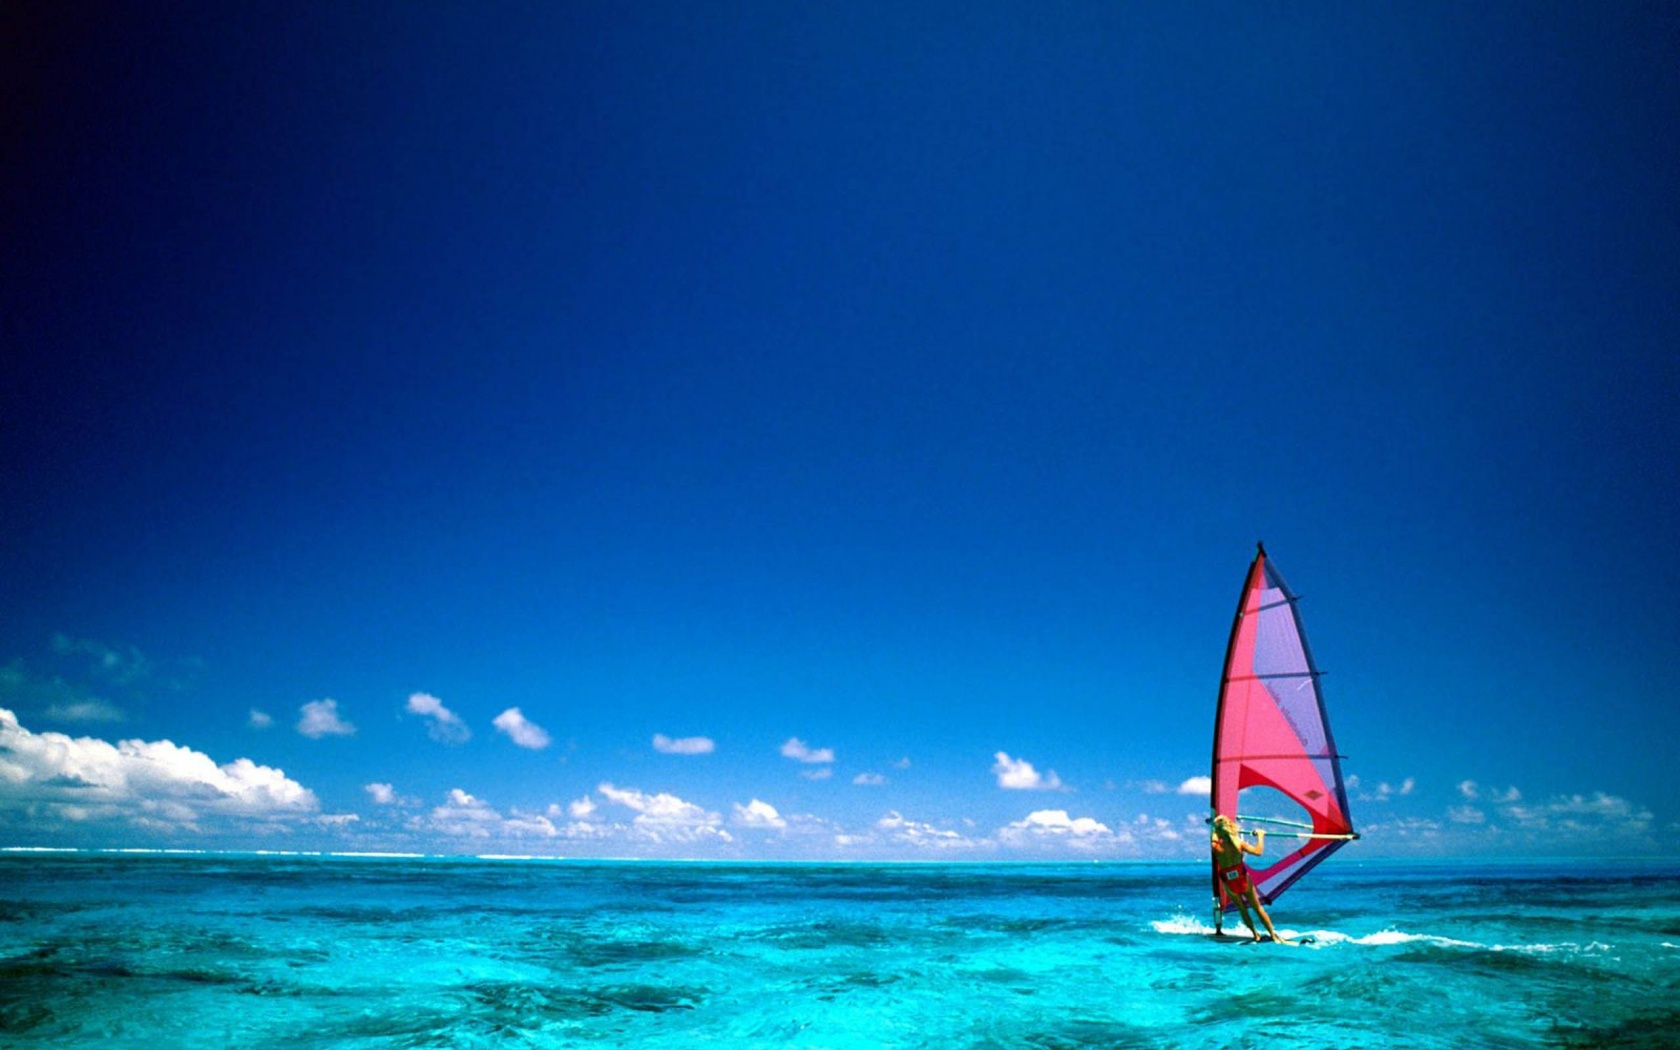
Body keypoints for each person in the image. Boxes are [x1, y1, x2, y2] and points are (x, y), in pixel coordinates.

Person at [1210, 815, 1290, 943]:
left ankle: (1255, 935)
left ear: (1218, 831)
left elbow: (1214, 837)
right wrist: (1260, 836)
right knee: (1257, 907)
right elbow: (1258, 852)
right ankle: (1273, 935)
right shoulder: (1238, 843)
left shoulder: (1216, 847)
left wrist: (1214, 826)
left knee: (1242, 909)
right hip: (1242, 879)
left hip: (1229, 882)